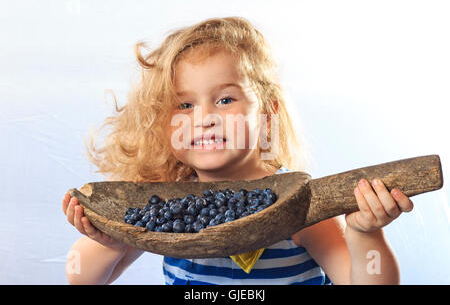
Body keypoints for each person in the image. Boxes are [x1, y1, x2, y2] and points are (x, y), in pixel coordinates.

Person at [62, 16, 414, 285]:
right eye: (184, 105)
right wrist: (108, 241)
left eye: (225, 99)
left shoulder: (299, 207)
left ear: (266, 115)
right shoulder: (166, 211)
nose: (204, 119)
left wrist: (366, 234)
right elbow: (82, 277)